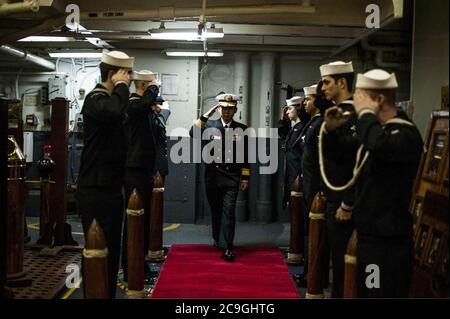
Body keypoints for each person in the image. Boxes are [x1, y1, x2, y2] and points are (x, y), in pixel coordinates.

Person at [350, 69, 423, 297]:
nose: (356, 107)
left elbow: (379, 145)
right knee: (369, 291)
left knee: (377, 293)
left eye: (360, 100)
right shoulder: (383, 132)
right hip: (373, 235)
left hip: (387, 241)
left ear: (379, 100)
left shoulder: (404, 134)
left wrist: (365, 115)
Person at [76, 50, 134, 298]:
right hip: (95, 190)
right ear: (113, 74)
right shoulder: (96, 100)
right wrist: (121, 86)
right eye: (126, 76)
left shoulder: (109, 100)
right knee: (96, 250)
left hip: (109, 187)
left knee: (110, 250)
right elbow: (113, 112)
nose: (129, 81)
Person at [189, 93, 249, 262]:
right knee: (216, 210)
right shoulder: (210, 125)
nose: (226, 112)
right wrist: (207, 114)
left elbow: (246, 155)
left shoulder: (242, 129)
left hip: (232, 177)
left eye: (230, 109)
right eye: (223, 108)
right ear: (219, 109)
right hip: (212, 177)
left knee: (229, 211)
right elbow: (193, 132)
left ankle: (228, 247)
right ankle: (217, 238)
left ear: (235, 110)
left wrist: (245, 177)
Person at [319, 61, 358, 298]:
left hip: (345, 201)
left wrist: (348, 202)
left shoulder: (351, 115)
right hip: (335, 196)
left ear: (342, 82)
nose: (322, 88)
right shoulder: (338, 113)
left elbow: (358, 164)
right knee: (339, 260)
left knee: (345, 263)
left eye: (326, 82)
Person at [121, 70, 160, 282]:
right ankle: (131, 267)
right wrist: (153, 87)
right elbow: (143, 104)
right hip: (134, 171)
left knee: (141, 221)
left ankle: (139, 263)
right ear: (144, 87)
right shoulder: (133, 104)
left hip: (142, 169)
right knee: (134, 221)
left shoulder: (141, 106)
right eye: (152, 87)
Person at [278, 96, 310, 208]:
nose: (287, 111)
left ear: (298, 110)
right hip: (292, 174)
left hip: (298, 176)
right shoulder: (295, 127)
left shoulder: (302, 128)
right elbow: (283, 136)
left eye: (289, 109)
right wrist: (283, 120)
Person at [152, 96, 171, 180]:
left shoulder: (156, 117)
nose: (161, 106)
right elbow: (158, 126)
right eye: (160, 104)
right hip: (151, 166)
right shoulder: (150, 117)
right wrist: (165, 112)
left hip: (158, 166)